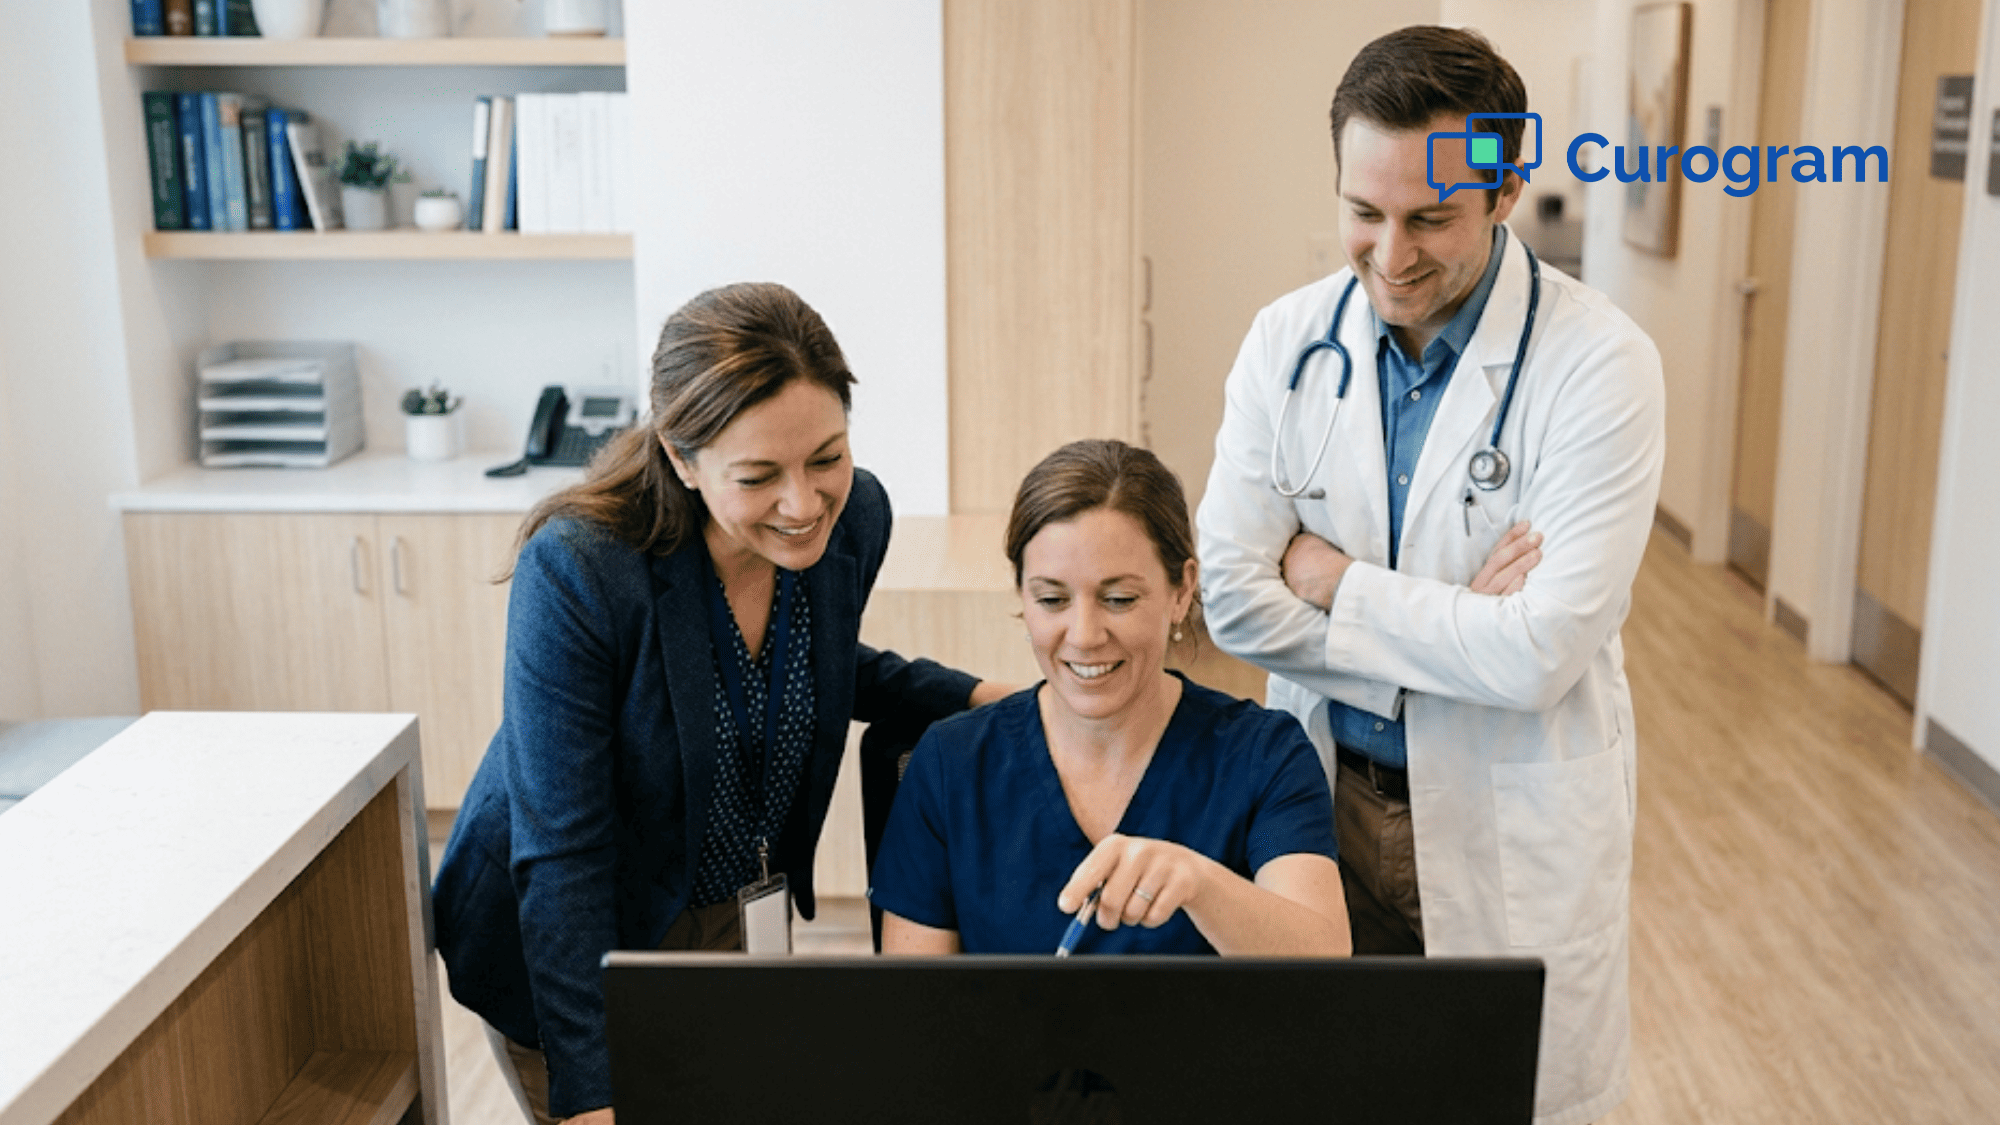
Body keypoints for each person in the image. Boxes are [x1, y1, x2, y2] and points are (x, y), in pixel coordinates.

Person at [1195, 26, 1664, 1125]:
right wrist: (1458, 626)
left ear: (1500, 193)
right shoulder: (1284, 341)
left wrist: (1327, 578)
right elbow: (1228, 594)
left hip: (1510, 819)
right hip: (1318, 800)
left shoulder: (1598, 366)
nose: (1389, 254)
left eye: (1430, 219)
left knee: (1493, 1094)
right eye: (1364, 212)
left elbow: (1539, 654)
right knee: (1329, 1088)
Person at [432, 282, 1011, 1125]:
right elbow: (563, 854)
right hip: (573, 935)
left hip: (732, 903)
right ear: (680, 455)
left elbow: (803, 662)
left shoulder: (856, 521)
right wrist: (592, 1098)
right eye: (758, 476)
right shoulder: (583, 568)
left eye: (826, 457)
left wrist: (977, 695)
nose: (804, 503)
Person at [871, 439, 1351, 957]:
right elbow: (914, 1012)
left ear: (1182, 591)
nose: (1084, 634)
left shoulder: (1264, 756)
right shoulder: (951, 763)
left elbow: (1321, 959)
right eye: (1051, 599)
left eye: (1119, 599)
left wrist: (1200, 884)